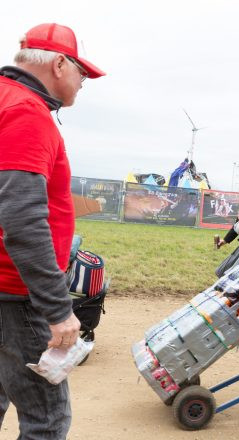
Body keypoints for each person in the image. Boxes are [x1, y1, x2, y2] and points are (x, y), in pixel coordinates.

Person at [0, 23, 105, 439]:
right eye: (82, 72)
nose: (82, 82)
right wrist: (57, 309)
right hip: (18, 293)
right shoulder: (26, 111)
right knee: (46, 420)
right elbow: (23, 219)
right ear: (59, 64)